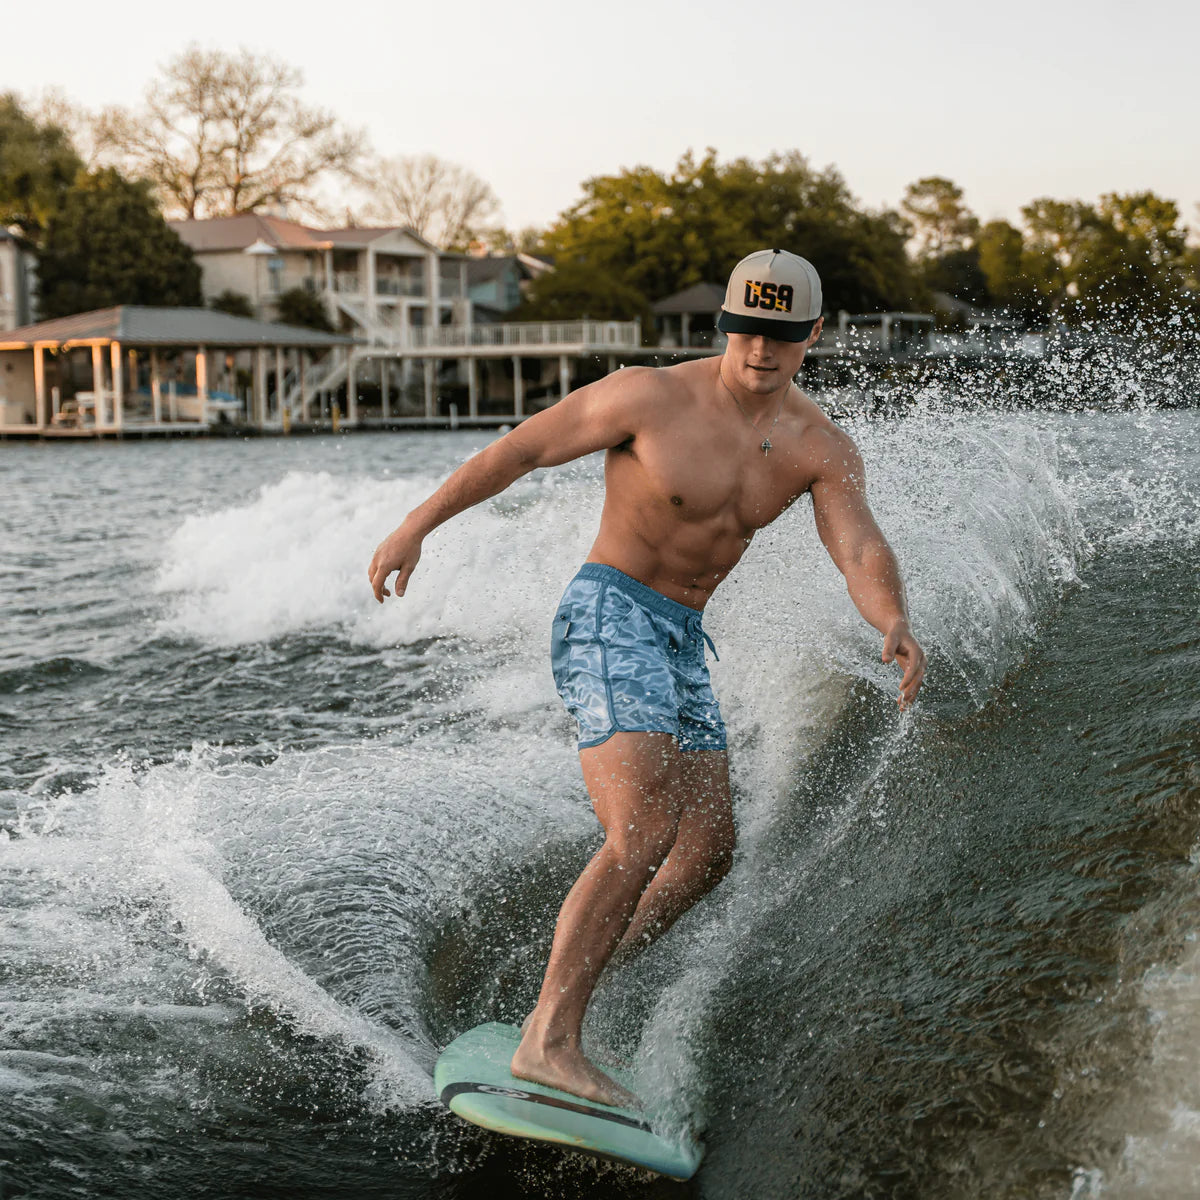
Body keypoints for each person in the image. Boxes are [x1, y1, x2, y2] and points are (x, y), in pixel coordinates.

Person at [368, 249, 926, 1108]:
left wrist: (891, 619)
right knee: (644, 827)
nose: (760, 350)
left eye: (780, 334)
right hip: (609, 611)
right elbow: (521, 450)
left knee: (706, 852)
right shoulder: (647, 397)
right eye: (746, 329)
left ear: (813, 333)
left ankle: (566, 991)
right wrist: (417, 525)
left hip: (681, 640)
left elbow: (856, 544)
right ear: (725, 324)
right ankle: (551, 1042)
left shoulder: (820, 446)